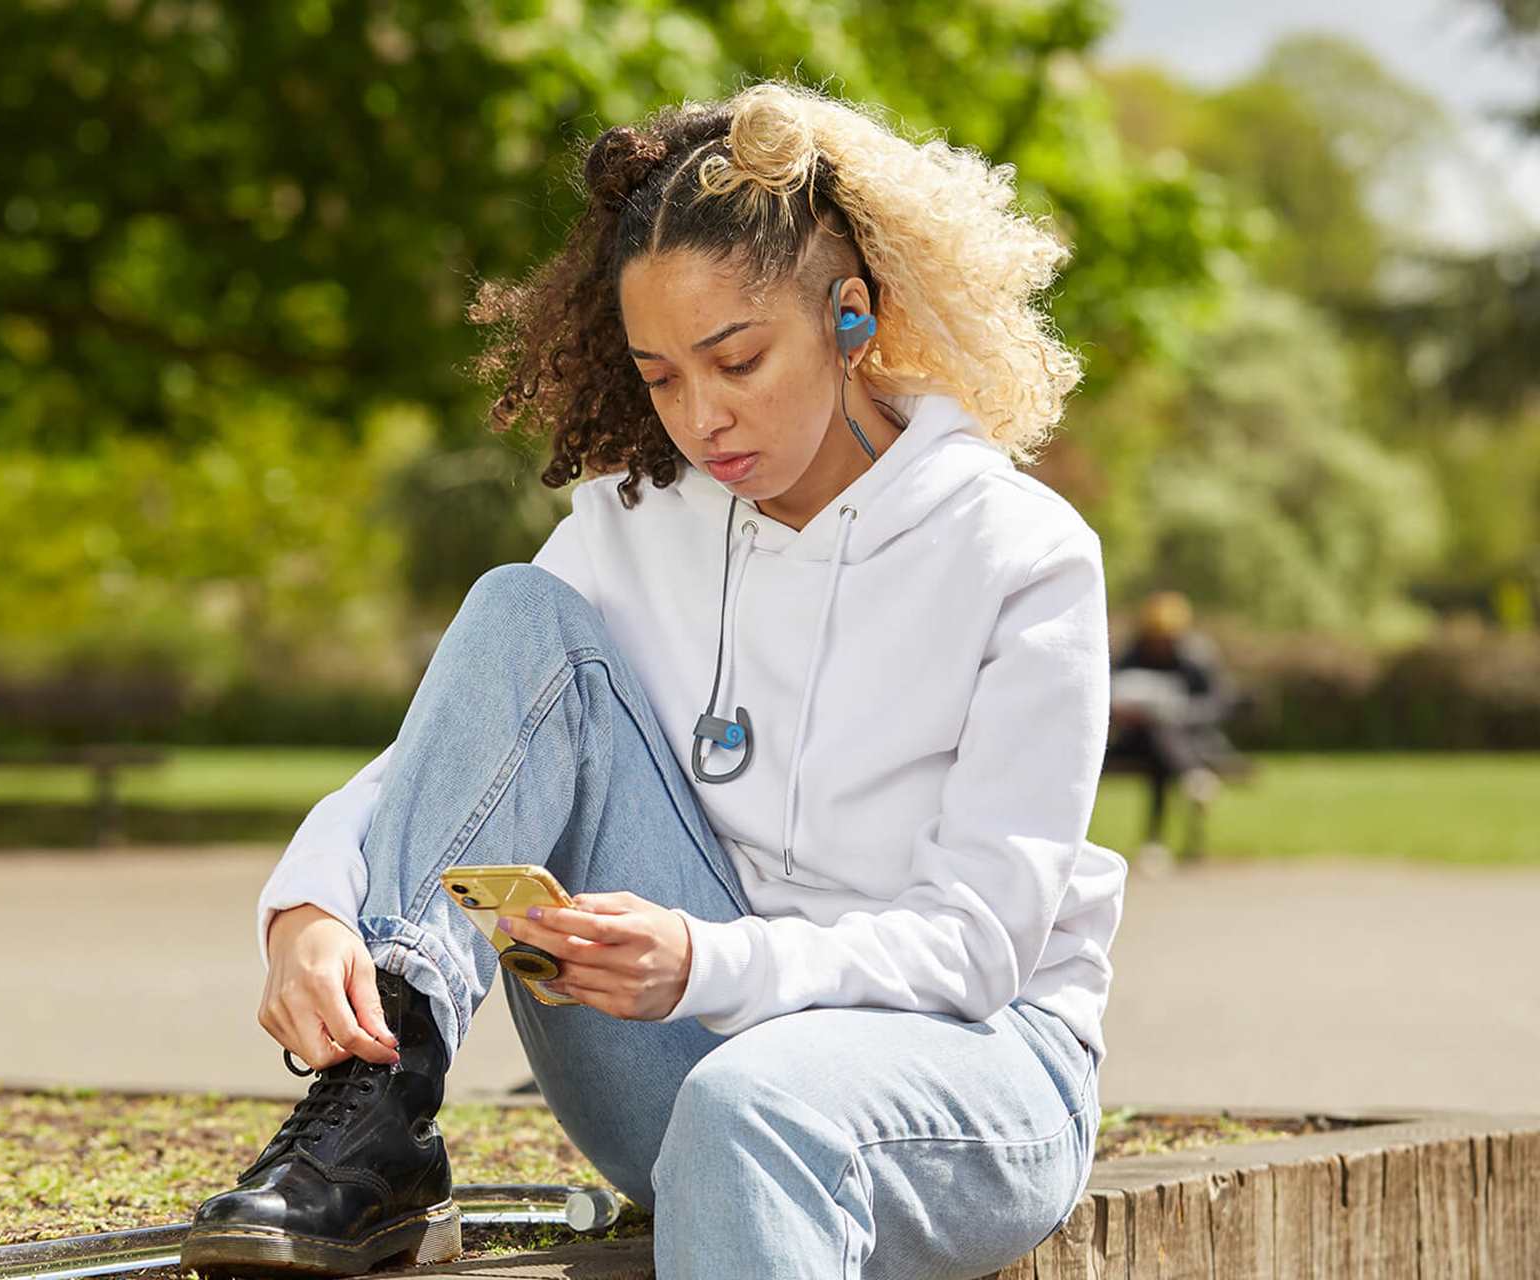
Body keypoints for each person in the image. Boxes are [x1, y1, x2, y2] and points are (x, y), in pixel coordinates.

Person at [179, 78, 1127, 1280]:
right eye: (662, 376)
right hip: (677, 1050)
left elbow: (981, 943)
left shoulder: (1021, 553)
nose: (701, 420)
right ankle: (378, 1111)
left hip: (968, 1074)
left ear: (848, 318)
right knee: (518, 611)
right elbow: (472, 750)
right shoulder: (638, 518)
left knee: (758, 1104)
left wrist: (708, 961)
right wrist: (309, 899)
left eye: (737, 360)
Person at [1105, 590, 1249, 871]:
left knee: (1161, 739)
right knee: (1156, 737)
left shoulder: (1196, 656)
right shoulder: (1135, 653)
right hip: (1141, 741)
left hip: (1192, 741)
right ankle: (1192, 778)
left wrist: (1179, 713)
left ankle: (1154, 842)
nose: (1159, 643)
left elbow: (1219, 704)